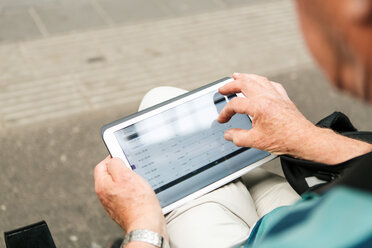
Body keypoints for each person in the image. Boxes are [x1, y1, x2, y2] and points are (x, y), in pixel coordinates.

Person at [94, 0, 372, 247]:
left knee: (164, 149)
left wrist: (143, 229)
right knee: (168, 106)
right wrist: (306, 137)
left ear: (358, 11)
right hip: (323, 202)